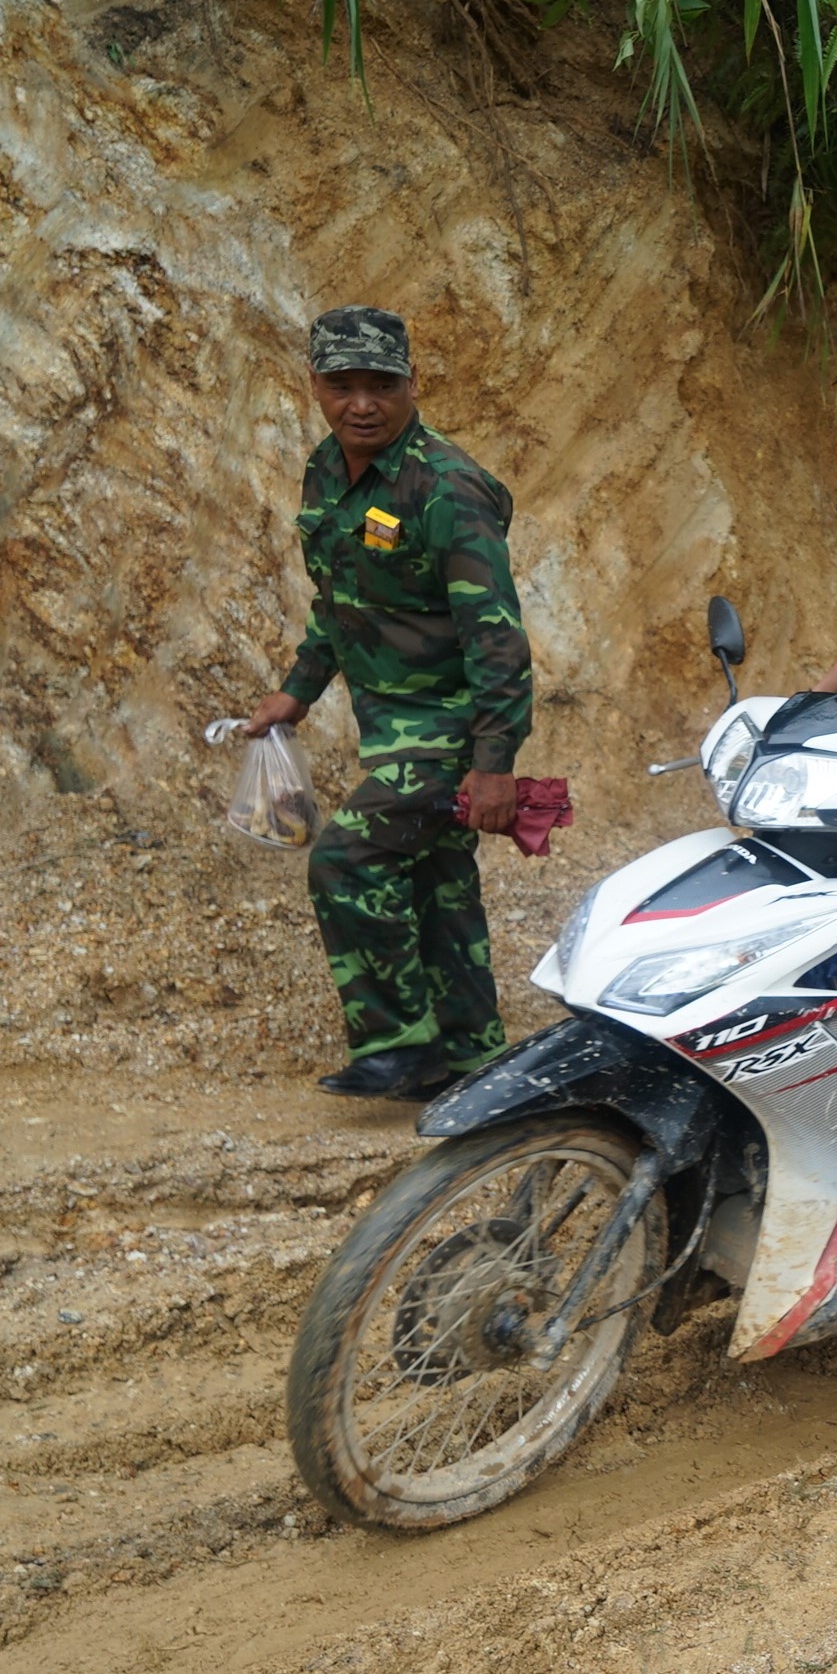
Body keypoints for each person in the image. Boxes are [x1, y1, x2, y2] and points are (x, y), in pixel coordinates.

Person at [240, 307, 530, 1100]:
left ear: (413, 385)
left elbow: (497, 639)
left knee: (348, 857)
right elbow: (339, 600)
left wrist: (494, 765)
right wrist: (295, 694)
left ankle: (401, 1044)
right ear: (315, 387)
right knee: (436, 881)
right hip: (391, 727)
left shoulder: (446, 488)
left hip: (448, 729)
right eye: (342, 386)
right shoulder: (327, 473)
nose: (361, 404)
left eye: (381, 386)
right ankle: (473, 1059)